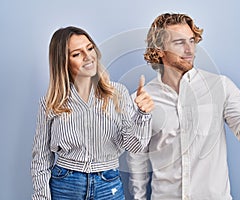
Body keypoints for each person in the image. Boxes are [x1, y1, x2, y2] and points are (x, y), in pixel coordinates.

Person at [127, 13, 240, 200]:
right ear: (160, 49)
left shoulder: (220, 86)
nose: (189, 49)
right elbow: (137, 158)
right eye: (179, 43)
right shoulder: (141, 100)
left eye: (191, 41)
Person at [30, 26, 154, 200]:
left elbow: (135, 147)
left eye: (89, 48)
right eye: (77, 54)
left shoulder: (118, 93)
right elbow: (41, 158)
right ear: (63, 62)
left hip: (108, 183)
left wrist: (143, 115)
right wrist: (41, 196)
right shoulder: (51, 103)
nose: (88, 57)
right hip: (65, 185)